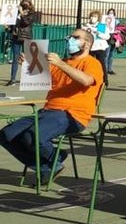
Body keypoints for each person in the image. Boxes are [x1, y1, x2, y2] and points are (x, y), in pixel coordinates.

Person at [1, 28, 103, 183]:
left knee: (33, 135)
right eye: (69, 37)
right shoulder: (61, 63)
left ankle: (56, 158)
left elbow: (86, 81)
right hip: (48, 111)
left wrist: (60, 63)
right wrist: (28, 63)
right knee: (6, 135)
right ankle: (48, 166)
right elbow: (37, 78)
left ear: (87, 43)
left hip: (72, 115)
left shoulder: (92, 63)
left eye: (76, 37)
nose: (70, 40)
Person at [7, 0, 40, 85]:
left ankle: (30, 78)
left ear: (30, 5)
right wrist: (8, 28)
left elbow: (25, 22)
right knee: (15, 58)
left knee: (26, 59)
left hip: (26, 38)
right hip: (16, 37)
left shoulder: (32, 14)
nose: (25, 4)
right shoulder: (16, 13)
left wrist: (21, 12)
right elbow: (13, 25)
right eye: (23, 3)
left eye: (27, 3)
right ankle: (12, 79)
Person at [82, 11, 112, 82]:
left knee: (101, 63)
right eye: (91, 16)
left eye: (95, 17)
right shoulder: (86, 25)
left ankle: (104, 80)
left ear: (98, 18)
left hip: (99, 48)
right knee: (89, 63)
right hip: (90, 48)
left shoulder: (100, 26)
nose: (92, 18)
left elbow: (107, 36)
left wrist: (98, 33)